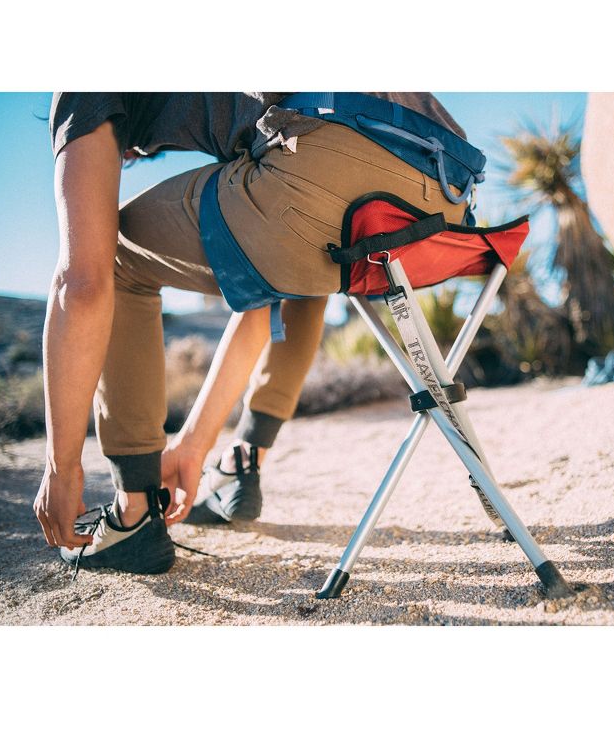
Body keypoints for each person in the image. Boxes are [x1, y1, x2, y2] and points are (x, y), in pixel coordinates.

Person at [33, 92, 471, 575]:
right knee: (302, 258)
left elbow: (81, 285)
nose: (130, 157)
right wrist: (193, 445)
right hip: (448, 196)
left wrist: (61, 466)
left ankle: (134, 510)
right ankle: (243, 460)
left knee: (112, 251)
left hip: (330, 158)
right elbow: (264, 295)